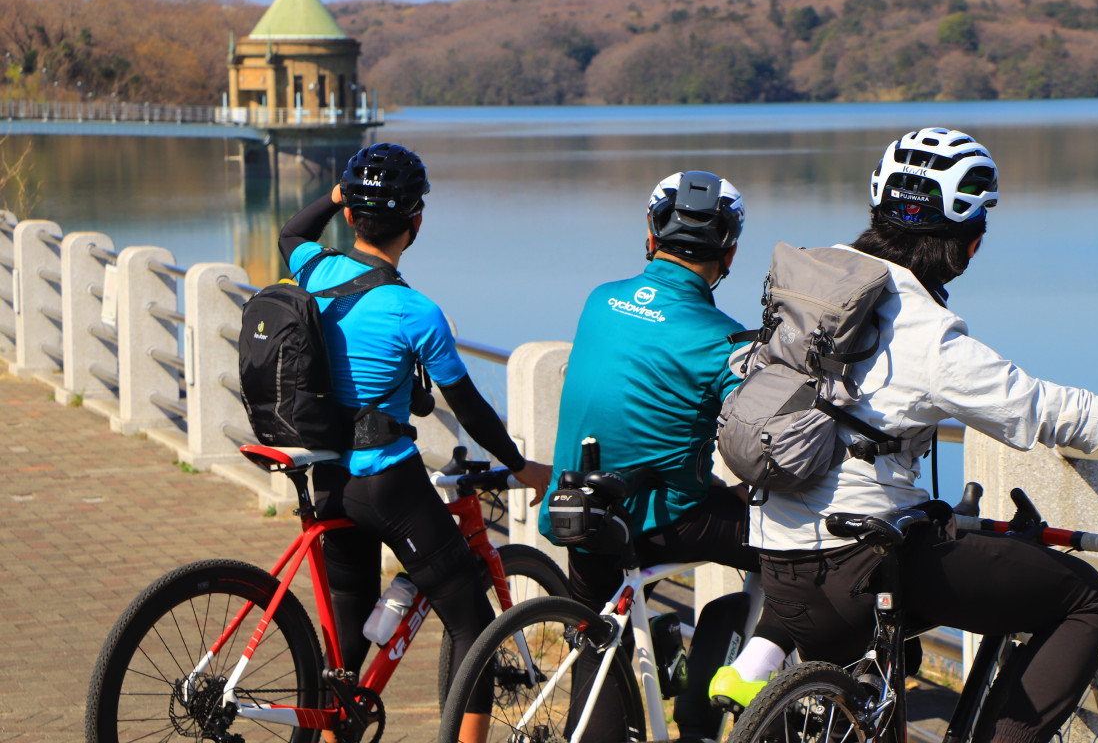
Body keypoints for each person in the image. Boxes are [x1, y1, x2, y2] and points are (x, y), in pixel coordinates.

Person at [725, 127, 1098, 743]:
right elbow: (1071, 417)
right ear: (966, 243)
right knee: (1081, 597)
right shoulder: (925, 331)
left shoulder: (813, 290)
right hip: (861, 570)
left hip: (780, 569)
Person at [278, 142, 551, 743]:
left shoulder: (316, 269)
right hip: (387, 483)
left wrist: (337, 194)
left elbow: (290, 232)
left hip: (328, 476)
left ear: (348, 215)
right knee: (474, 622)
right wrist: (522, 466)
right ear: (417, 223)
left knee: (346, 646)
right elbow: (471, 408)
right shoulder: (415, 311)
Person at [537, 170, 791, 734]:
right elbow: (766, 433)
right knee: (802, 557)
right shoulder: (725, 341)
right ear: (728, 253)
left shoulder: (600, 300)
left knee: (597, 649)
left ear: (651, 236)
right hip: (661, 516)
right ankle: (710, 694)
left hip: (579, 507)